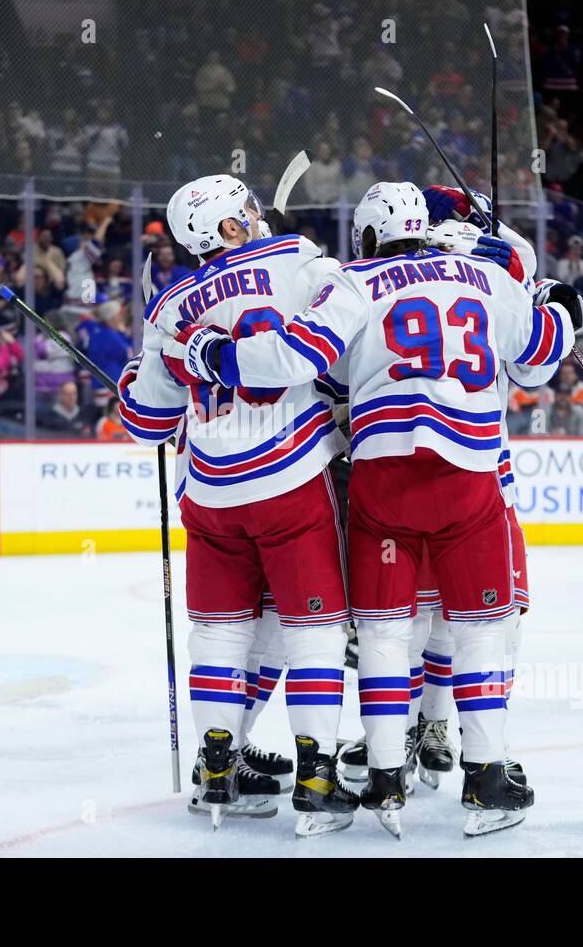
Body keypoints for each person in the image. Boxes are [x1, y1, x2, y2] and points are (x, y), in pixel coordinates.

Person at [163, 181, 579, 837]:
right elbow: (539, 359)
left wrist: (209, 359)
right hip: (475, 477)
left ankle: (384, 772)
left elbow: (317, 373)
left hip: (373, 478)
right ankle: (478, 764)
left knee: (383, 630)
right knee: (479, 626)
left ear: (366, 236)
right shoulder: (486, 272)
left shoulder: (350, 281)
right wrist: (551, 298)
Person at [121, 174, 356, 837]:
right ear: (230, 225)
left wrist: (134, 378)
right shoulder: (297, 260)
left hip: (211, 494)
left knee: (221, 632)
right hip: (291, 476)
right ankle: (316, 780)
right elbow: (339, 331)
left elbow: (145, 421)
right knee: (313, 630)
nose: (258, 213)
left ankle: (218, 773)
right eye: (248, 208)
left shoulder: (171, 305)